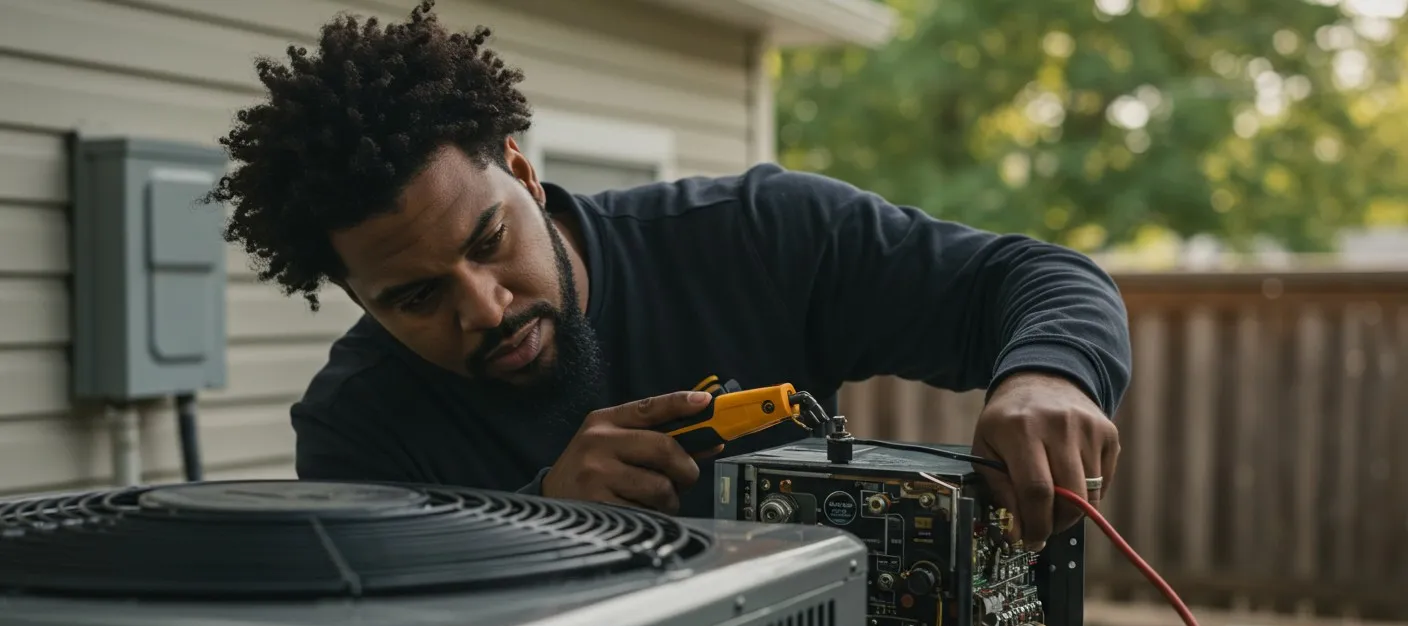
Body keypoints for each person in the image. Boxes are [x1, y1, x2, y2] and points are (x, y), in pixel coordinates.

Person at [205, 1, 1131, 550]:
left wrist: (1047, 373)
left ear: (522, 170)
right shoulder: (356, 425)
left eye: (487, 241)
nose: (482, 308)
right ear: (357, 298)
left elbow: (1039, 279)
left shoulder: (756, 235)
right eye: (416, 297)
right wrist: (539, 522)